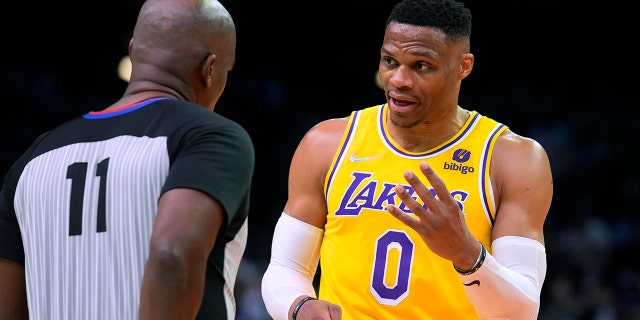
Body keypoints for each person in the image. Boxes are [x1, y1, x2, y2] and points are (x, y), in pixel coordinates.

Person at [261, 0, 553, 319]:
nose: (399, 79)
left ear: (463, 66)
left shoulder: (511, 159)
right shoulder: (326, 143)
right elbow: (285, 268)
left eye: (420, 66)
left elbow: (522, 312)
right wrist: (300, 306)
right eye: (390, 61)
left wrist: (467, 254)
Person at [0, 0, 254, 319]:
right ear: (210, 69)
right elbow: (171, 254)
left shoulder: (32, 159)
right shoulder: (210, 137)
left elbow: (7, 307)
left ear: (134, 51)